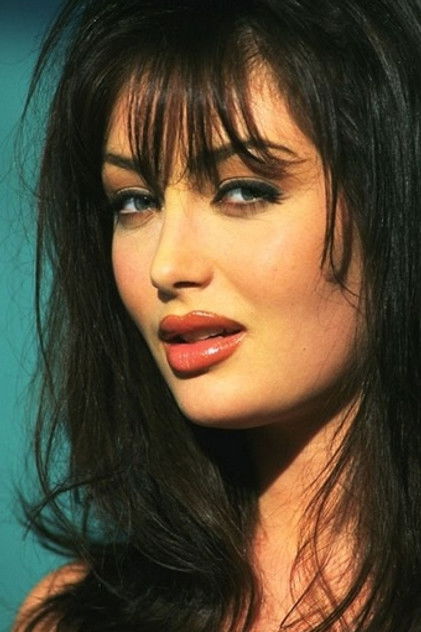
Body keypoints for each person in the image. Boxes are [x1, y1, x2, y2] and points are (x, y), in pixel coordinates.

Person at [13, 0, 421, 630]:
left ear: (394, 203)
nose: (166, 265)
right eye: (135, 202)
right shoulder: (72, 617)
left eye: (243, 190)